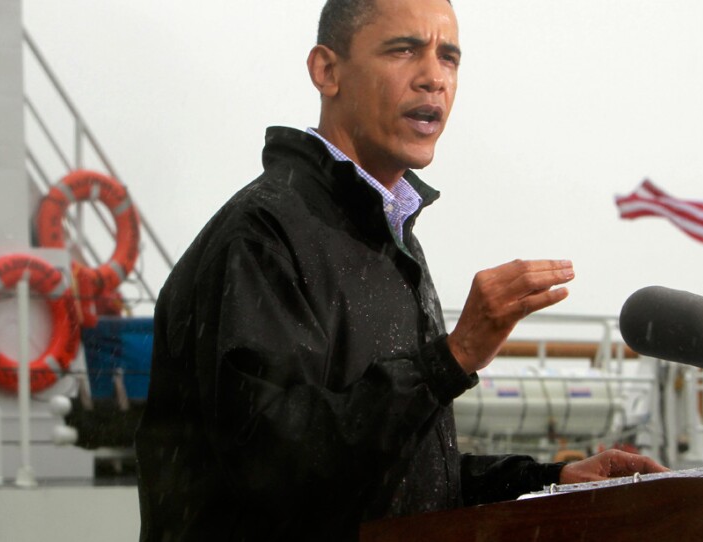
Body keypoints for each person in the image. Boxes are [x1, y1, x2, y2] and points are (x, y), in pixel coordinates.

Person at [135, 0, 666, 540]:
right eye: (404, 49)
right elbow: (275, 473)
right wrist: (448, 360)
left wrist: (548, 478)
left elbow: (398, 483)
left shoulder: (384, 233)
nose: (433, 77)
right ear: (327, 70)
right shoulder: (260, 237)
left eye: (449, 57)